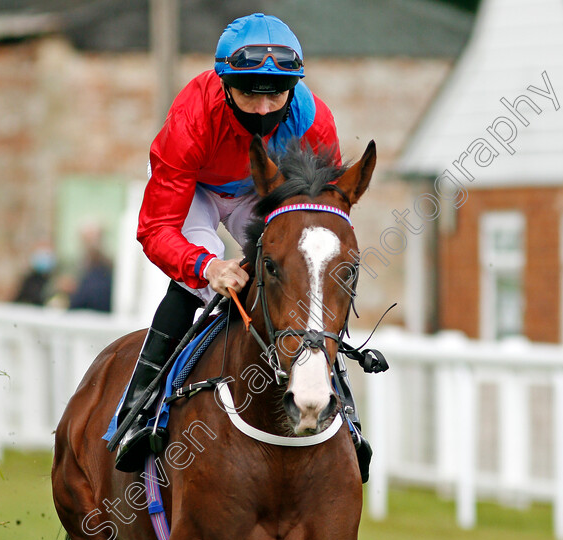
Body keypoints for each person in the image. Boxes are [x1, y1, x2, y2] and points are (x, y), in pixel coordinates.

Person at [114, 13, 371, 476]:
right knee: (198, 286)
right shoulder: (191, 118)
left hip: (262, 191)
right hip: (196, 191)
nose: (263, 108)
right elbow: (156, 229)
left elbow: (326, 218)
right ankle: (137, 411)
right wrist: (205, 266)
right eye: (250, 91)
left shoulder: (314, 121)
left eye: (276, 92)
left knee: (298, 275)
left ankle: (342, 411)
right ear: (225, 81)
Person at [68, 222, 113, 312]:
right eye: (86, 238)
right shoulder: (76, 263)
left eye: (92, 237)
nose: (90, 242)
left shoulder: (107, 265)